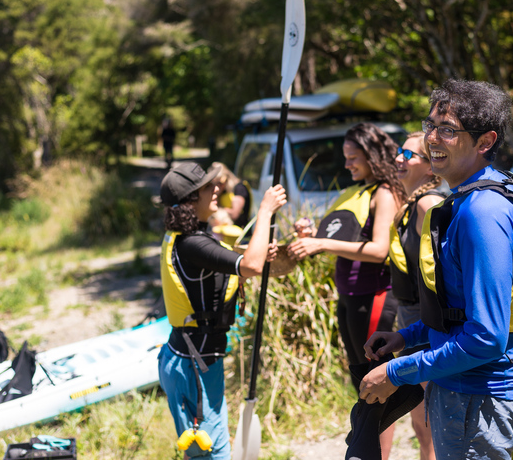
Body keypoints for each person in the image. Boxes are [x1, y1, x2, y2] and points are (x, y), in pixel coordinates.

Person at [359, 80, 513, 460]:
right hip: (465, 391)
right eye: (430, 126)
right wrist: (407, 337)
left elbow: (487, 337)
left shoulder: (482, 212)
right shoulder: (470, 198)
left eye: (448, 130)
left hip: (477, 398)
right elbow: (461, 313)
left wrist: (395, 373)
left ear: (485, 141)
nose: (432, 139)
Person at [286, 122, 405, 459]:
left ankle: (373, 452)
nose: (347, 164)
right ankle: (371, 451)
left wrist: (320, 242)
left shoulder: (384, 192)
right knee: (362, 378)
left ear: (371, 156)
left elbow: (380, 249)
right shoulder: (354, 191)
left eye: (353, 157)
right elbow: (343, 235)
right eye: (346, 157)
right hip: (349, 298)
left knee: (376, 379)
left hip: (376, 296)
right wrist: (309, 231)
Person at [157, 161, 286, 460]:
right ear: (191, 201)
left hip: (191, 359)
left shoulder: (187, 239)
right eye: (206, 188)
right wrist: (265, 211)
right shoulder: (192, 244)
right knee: (212, 453)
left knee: (200, 450)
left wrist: (257, 249)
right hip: (194, 364)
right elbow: (250, 267)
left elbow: (224, 269)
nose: (216, 189)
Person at [389, 132, 444, 460]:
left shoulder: (429, 204)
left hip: (425, 320)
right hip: (410, 317)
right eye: (399, 151)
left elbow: (443, 273)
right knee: (419, 412)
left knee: (431, 411)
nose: (399, 158)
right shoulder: (411, 202)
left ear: (431, 168)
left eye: (409, 155)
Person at [209, 162, 252, 229]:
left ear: (226, 179)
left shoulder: (239, 188)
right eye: (214, 183)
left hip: (240, 233)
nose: (217, 186)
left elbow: (234, 214)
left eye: (220, 183)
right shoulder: (222, 191)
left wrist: (221, 210)